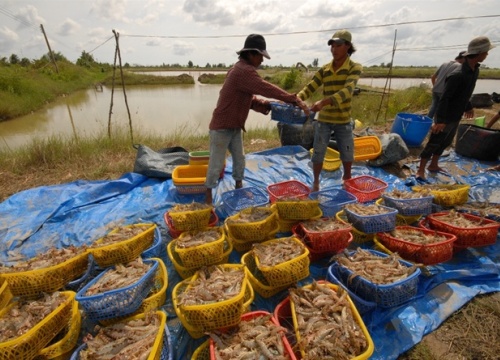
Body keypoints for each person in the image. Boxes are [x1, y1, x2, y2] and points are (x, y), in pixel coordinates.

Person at [204, 34, 310, 204]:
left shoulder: (238, 69)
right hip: (222, 126)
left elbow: (249, 98)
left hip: (235, 126)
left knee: (240, 159)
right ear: (251, 54)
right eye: (261, 56)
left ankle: (239, 187)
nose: (262, 60)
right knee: (216, 164)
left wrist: (264, 105)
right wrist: (291, 98)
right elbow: (264, 87)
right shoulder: (243, 71)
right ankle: (208, 196)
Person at [416, 36, 495, 181]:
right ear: (479, 53)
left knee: (446, 141)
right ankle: (420, 170)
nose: (487, 55)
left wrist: (468, 106)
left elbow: (466, 93)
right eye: (486, 52)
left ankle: (433, 164)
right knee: (435, 141)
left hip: (456, 114)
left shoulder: (474, 71)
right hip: (445, 115)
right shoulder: (457, 75)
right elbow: (445, 98)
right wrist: (440, 120)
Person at [297, 29, 362, 191]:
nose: (334, 49)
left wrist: (324, 102)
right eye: (332, 46)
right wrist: (297, 98)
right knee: (318, 152)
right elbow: (310, 87)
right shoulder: (325, 69)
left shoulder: (355, 67)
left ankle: (347, 178)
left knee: (347, 153)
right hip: (324, 120)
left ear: (347, 46)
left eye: (338, 45)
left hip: (343, 120)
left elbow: (347, 91)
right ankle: (316, 182)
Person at [427, 51, 466, 119]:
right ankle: (438, 124)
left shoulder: (445, 63)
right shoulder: (459, 66)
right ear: (463, 58)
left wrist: (435, 86)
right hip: (445, 92)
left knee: (434, 107)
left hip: (435, 90)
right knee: (443, 110)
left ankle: (427, 122)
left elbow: (433, 77)